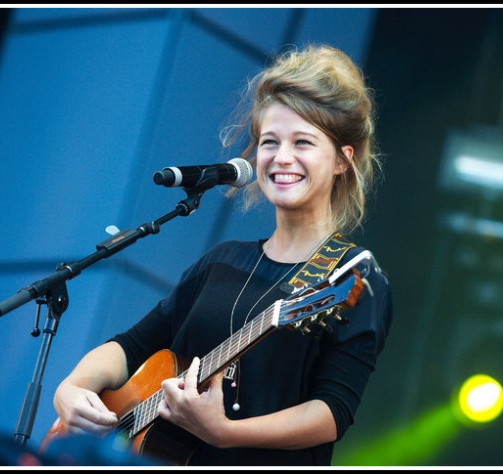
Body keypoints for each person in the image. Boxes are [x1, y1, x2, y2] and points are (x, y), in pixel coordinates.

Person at [50, 43, 393, 466]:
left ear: (343, 160)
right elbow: (130, 346)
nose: (282, 157)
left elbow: (332, 412)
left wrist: (226, 434)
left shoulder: (353, 274)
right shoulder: (221, 261)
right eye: (270, 141)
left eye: (303, 142)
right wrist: (70, 389)